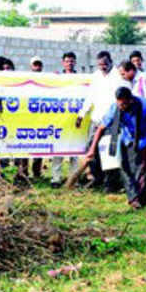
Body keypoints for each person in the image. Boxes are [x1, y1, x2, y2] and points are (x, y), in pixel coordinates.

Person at [86, 87, 146, 209]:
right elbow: (101, 128)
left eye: (123, 104)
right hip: (127, 138)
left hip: (144, 138)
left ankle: (138, 198)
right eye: (119, 104)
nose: (121, 107)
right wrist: (92, 149)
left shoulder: (145, 105)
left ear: (130, 100)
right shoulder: (114, 108)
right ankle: (133, 195)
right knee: (125, 167)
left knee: (139, 168)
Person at [76, 51, 127, 191]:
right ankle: (96, 177)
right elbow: (90, 97)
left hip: (113, 120)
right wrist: (81, 114)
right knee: (91, 149)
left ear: (111, 61)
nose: (102, 67)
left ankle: (111, 182)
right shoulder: (96, 76)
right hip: (97, 119)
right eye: (99, 65)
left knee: (110, 151)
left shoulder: (118, 76)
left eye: (105, 64)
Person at [13, 56, 44, 185]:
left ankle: (37, 172)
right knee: (25, 145)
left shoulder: (47, 79)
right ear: (31, 66)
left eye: (39, 65)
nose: (37, 67)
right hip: (26, 117)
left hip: (40, 117)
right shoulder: (25, 79)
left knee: (40, 145)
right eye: (35, 65)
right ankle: (24, 172)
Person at [51, 52, 79, 188]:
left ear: (75, 63)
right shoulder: (58, 77)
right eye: (67, 61)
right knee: (58, 149)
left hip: (75, 119)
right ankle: (56, 178)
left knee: (75, 150)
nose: (70, 63)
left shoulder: (80, 79)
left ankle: (73, 179)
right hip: (60, 118)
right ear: (63, 63)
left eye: (72, 61)